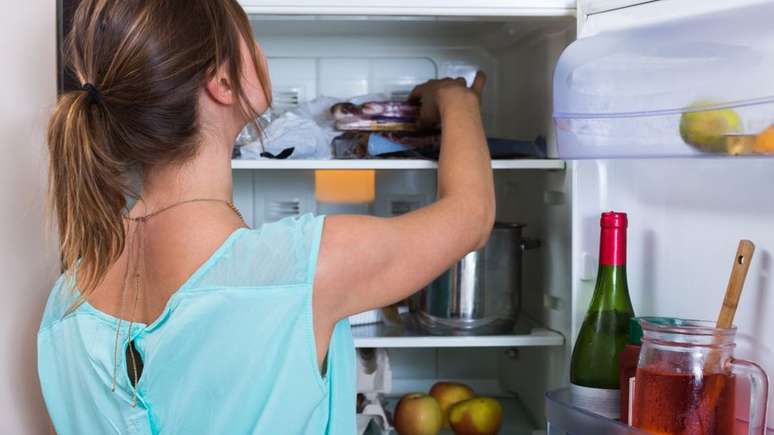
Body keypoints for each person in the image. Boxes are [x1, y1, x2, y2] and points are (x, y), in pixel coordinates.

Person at [38, 0, 494, 433]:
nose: (259, 49)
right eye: (248, 36)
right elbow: (470, 217)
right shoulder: (302, 274)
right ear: (223, 83)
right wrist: (457, 100)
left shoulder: (66, 304)